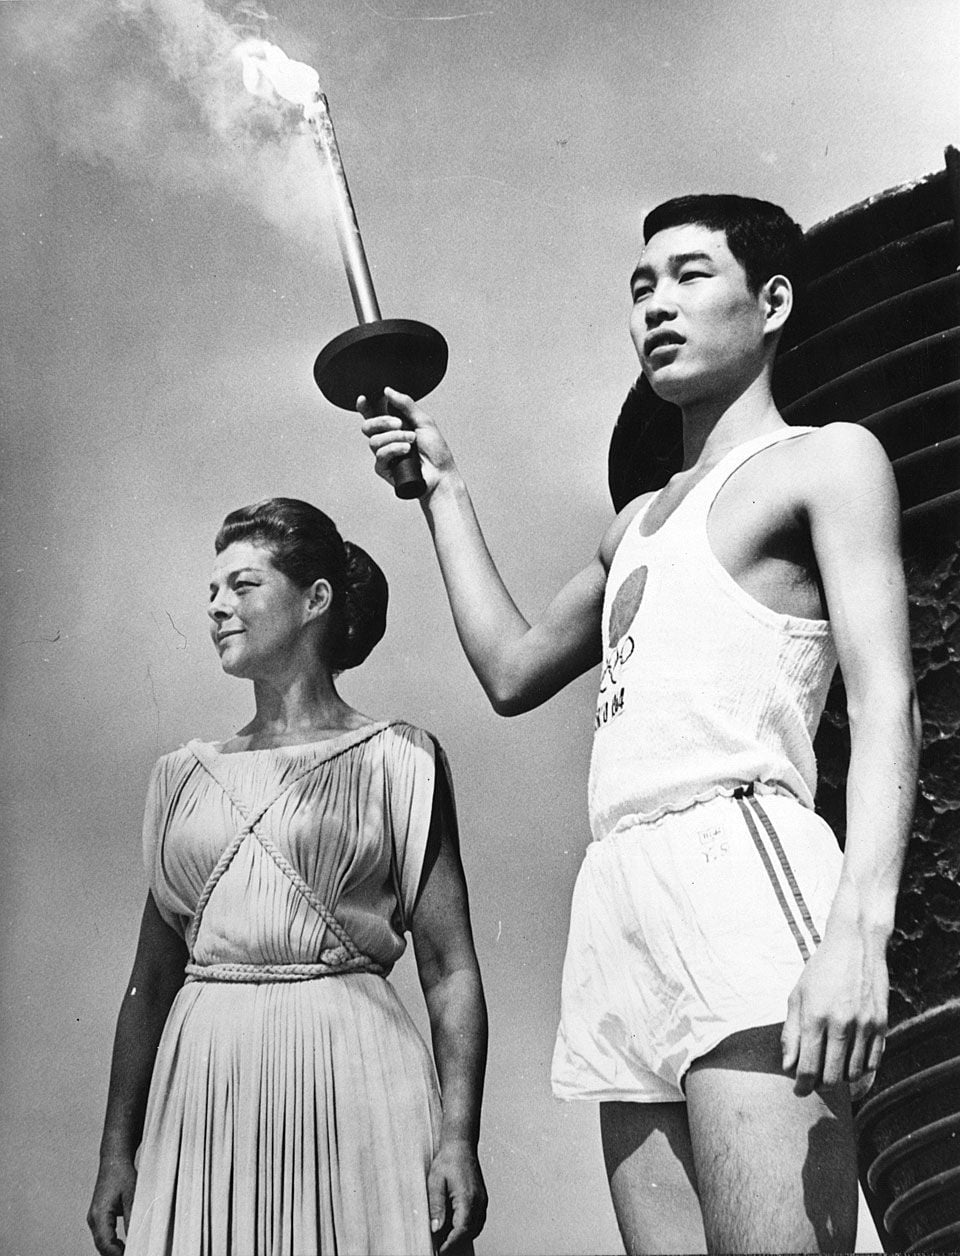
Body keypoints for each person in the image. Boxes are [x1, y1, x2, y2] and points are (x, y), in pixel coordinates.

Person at [359, 195, 921, 1253]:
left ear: (773, 302)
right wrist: (442, 487)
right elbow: (513, 670)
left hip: (743, 861)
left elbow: (889, 699)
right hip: (619, 893)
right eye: (641, 284)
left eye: (691, 274)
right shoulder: (637, 524)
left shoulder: (825, 460)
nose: (657, 302)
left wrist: (860, 929)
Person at [87, 498, 488, 1256]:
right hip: (206, 1088)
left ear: (316, 600)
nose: (216, 607)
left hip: (356, 1079)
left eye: (242, 585)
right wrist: (117, 1151)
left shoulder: (399, 757)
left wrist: (458, 1140)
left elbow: (449, 966)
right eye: (211, 592)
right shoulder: (183, 777)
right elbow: (150, 977)